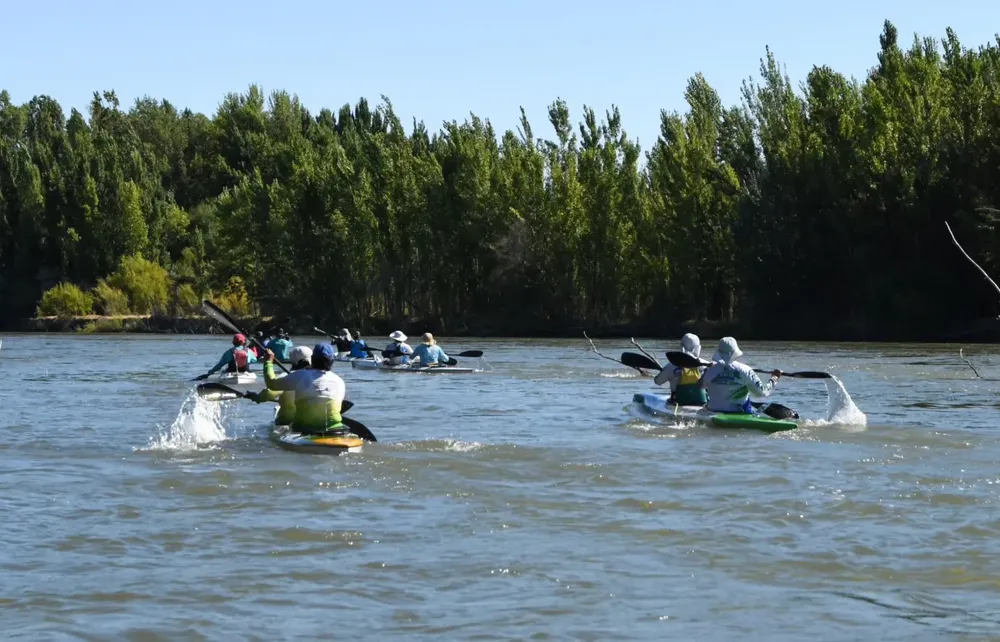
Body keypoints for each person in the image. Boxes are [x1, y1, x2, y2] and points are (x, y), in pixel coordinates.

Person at [262, 343, 347, 434]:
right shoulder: (339, 381)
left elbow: (272, 384)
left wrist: (268, 362)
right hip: (334, 428)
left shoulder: (299, 375)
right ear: (332, 361)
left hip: (302, 428)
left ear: (313, 359)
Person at [699, 337, 781, 413]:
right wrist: (774, 378)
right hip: (739, 412)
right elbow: (762, 392)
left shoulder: (709, 370)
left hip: (713, 410)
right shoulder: (746, 370)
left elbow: (700, 386)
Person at [248, 345, 313, 425]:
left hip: (286, 423)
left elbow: (269, 393)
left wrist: (256, 397)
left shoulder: (286, 377)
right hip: (310, 423)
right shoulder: (318, 376)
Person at [653, 333, 708, 406]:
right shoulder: (706, 365)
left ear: (682, 347)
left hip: (678, 402)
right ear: (698, 348)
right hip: (701, 402)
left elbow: (658, 382)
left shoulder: (671, 366)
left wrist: (662, 372)